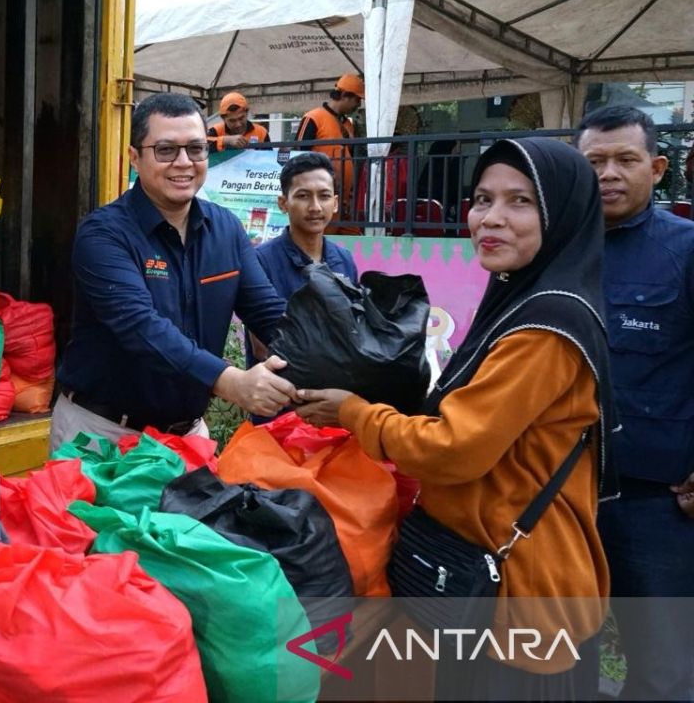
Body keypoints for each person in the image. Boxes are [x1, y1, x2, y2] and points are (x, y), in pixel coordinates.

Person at [297, 137, 615, 700]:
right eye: (481, 198)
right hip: (487, 581)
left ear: (561, 214)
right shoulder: (523, 297)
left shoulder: (545, 328)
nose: (491, 218)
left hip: (522, 595)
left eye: (521, 202)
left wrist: (355, 412)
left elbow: (454, 447)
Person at [52, 92, 298, 450]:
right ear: (134, 157)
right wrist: (233, 382)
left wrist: (332, 367)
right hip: (103, 436)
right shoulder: (103, 234)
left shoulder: (225, 229)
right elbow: (142, 329)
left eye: (196, 149)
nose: (184, 162)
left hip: (187, 437)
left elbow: (269, 313)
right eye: (165, 150)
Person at [577, 105, 694, 702]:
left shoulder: (686, 248)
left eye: (624, 159)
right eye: (593, 161)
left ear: (658, 166)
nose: (608, 173)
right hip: (562, 496)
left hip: (658, 502)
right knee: (565, 658)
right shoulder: (552, 249)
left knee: (664, 667)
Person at [247, 151, 358, 367]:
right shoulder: (260, 261)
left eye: (324, 196)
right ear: (283, 203)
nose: (315, 207)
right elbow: (261, 348)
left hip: (337, 393)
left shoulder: (344, 260)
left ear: (335, 203)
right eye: (303, 196)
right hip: (280, 393)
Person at [295, 73, 364, 225]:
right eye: (357, 100)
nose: (358, 105)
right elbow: (298, 153)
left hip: (344, 198)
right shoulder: (313, 117)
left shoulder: (348, 124)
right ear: (345, 95)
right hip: (321, 195)